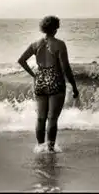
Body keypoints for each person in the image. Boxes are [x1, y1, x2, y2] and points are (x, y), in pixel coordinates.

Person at [17, 16, 79, 152]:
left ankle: (40, 148)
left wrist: (34, 75)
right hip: (55, 81)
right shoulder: (59, 44)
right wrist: (74, 86)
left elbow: (21, 60)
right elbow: (66, 68)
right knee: (52, 118)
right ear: (55, 28)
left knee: (40, 118)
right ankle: (50, 149)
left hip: (40, 81)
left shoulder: (35, 44)